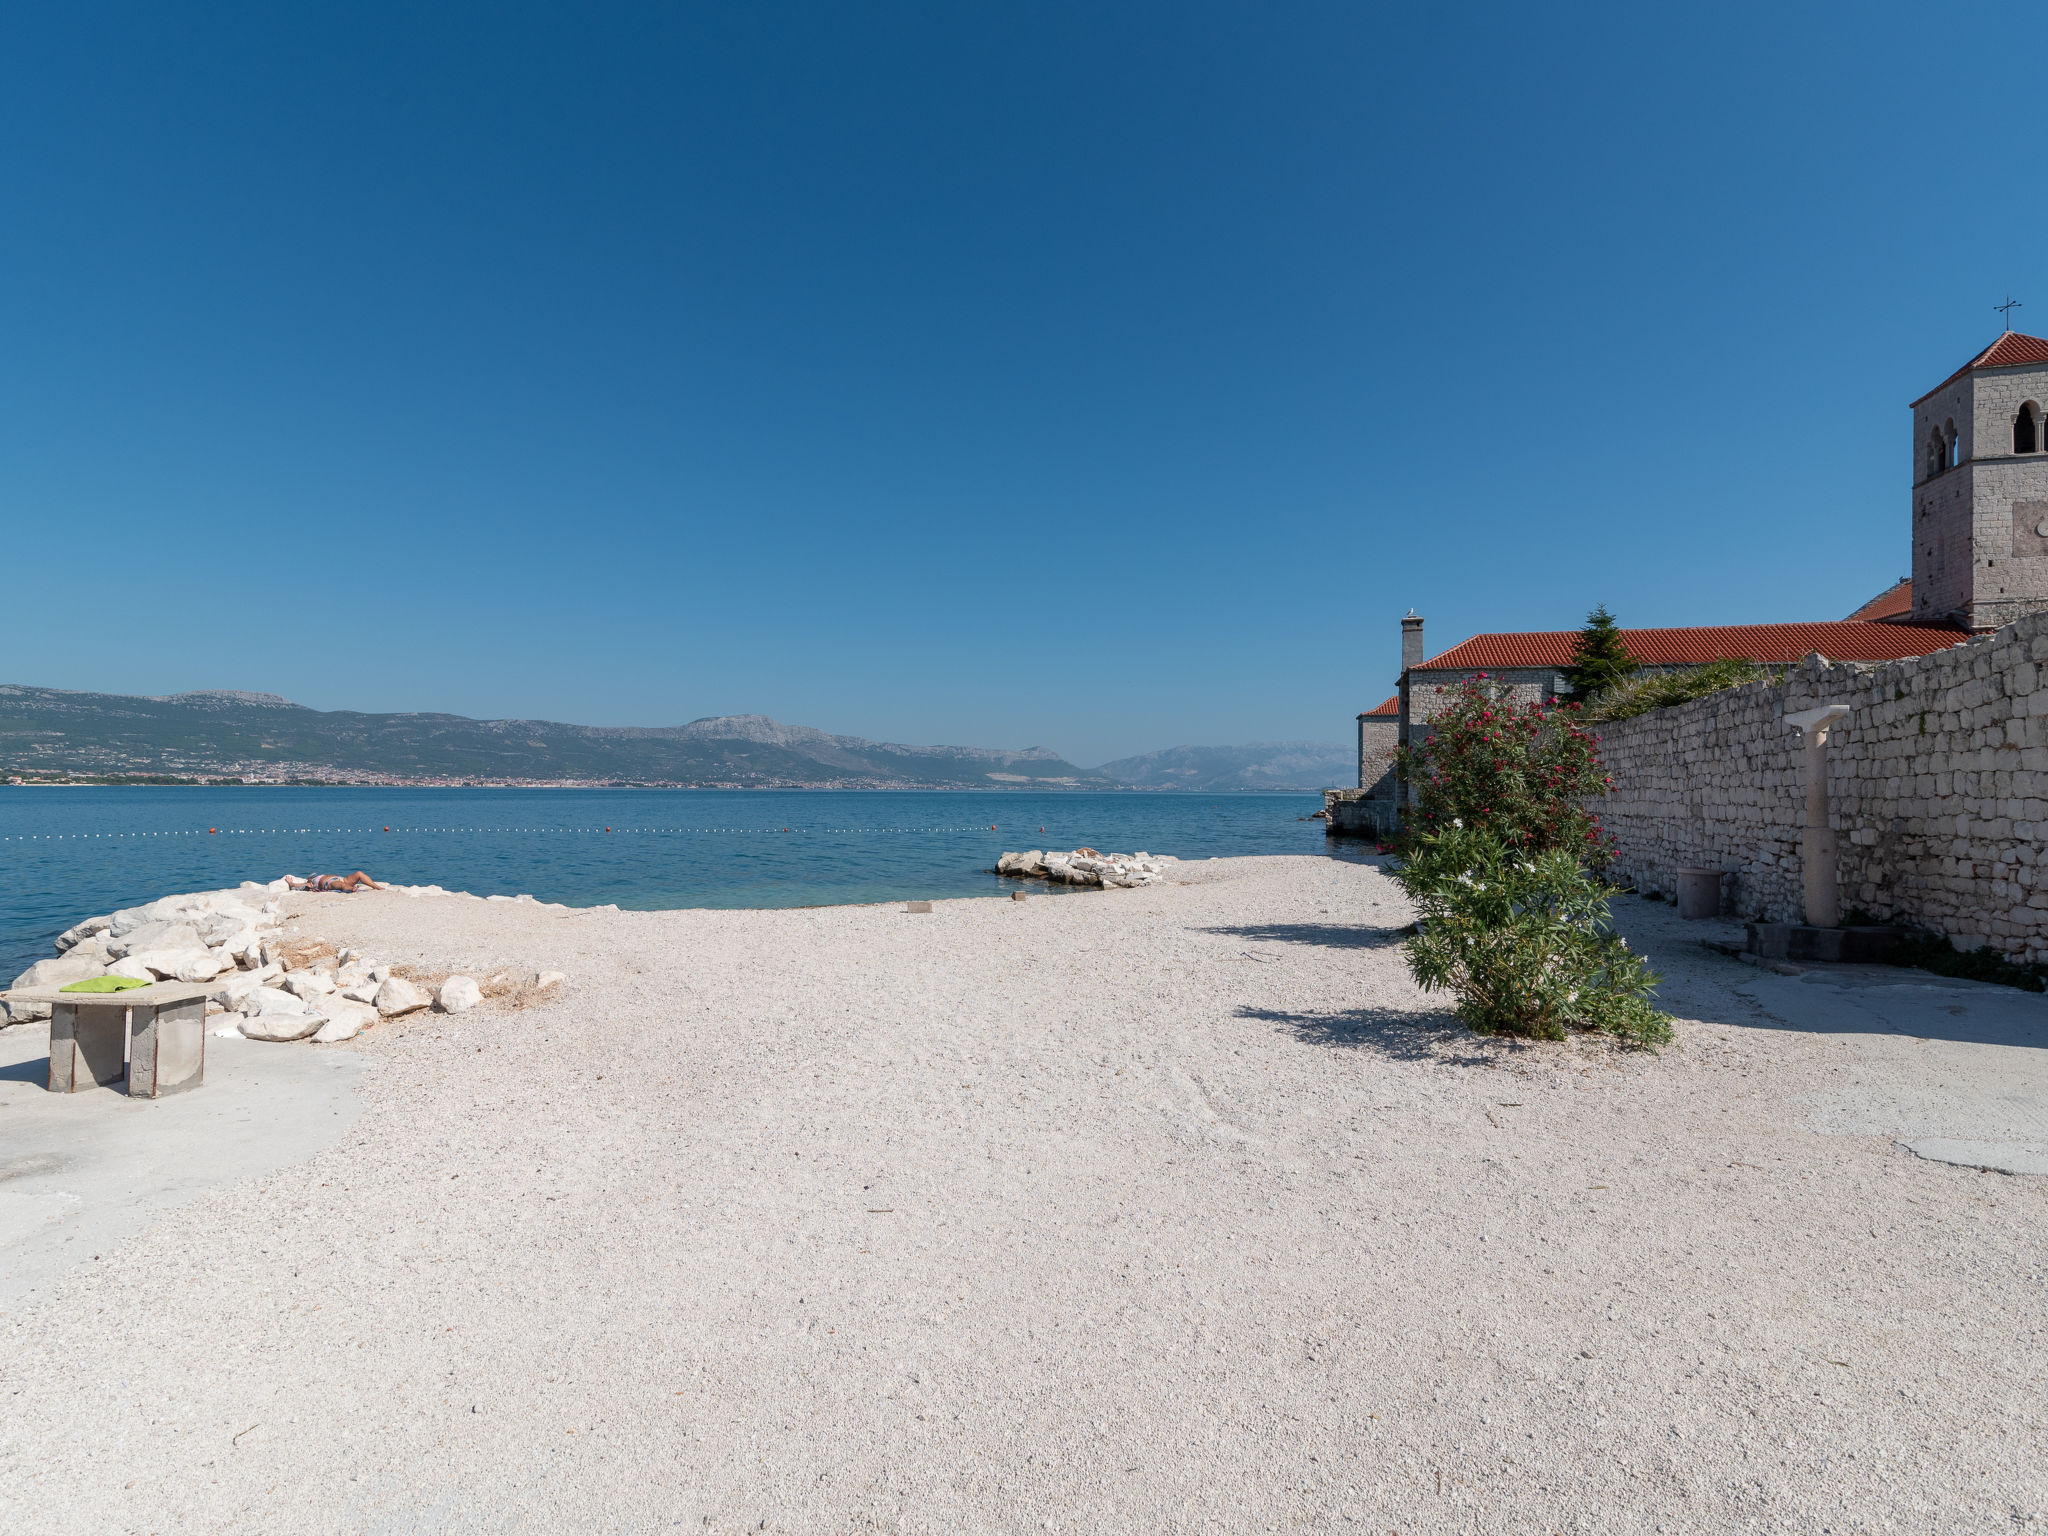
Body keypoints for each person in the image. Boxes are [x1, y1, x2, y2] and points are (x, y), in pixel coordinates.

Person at [284, 871, 388, 893]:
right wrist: (291, 882)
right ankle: (352, 889)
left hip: (342, 879)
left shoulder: (321, 876)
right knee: (341, 885)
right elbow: (296, 885)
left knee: (359, 873)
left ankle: (376, 887)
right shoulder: (311, 883)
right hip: (329, 884)